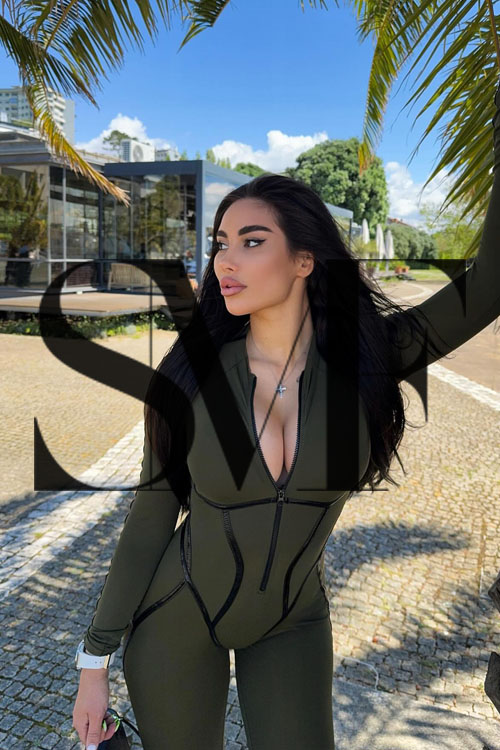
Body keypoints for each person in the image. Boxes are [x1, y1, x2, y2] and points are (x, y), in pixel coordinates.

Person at [73, 81, 500, 750]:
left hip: (294, 623)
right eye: (220, 243)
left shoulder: (370, 358)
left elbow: (490, 283)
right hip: (177, 619)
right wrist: (93, 663)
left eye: (251, 241)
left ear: (305, 259)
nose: (225, 260)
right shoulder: (191, 376)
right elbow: (149, 521)